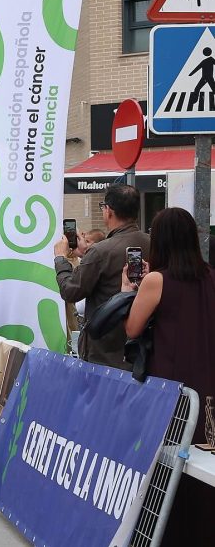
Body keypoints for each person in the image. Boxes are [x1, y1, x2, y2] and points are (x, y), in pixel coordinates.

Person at [121, 207, 214, 544]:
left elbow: (132, 328)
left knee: (168, 463)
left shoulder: (156, 280)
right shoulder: (210, 276)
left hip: (171, 386)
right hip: (207, 384)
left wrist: (127, 289)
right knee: (202, 462)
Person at [54, 184, 149, 369]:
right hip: (143, 347)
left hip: (105, 350)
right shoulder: (153, 244)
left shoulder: (100, 251)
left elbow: (70, 291)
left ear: (108, 211)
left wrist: (61, 259)